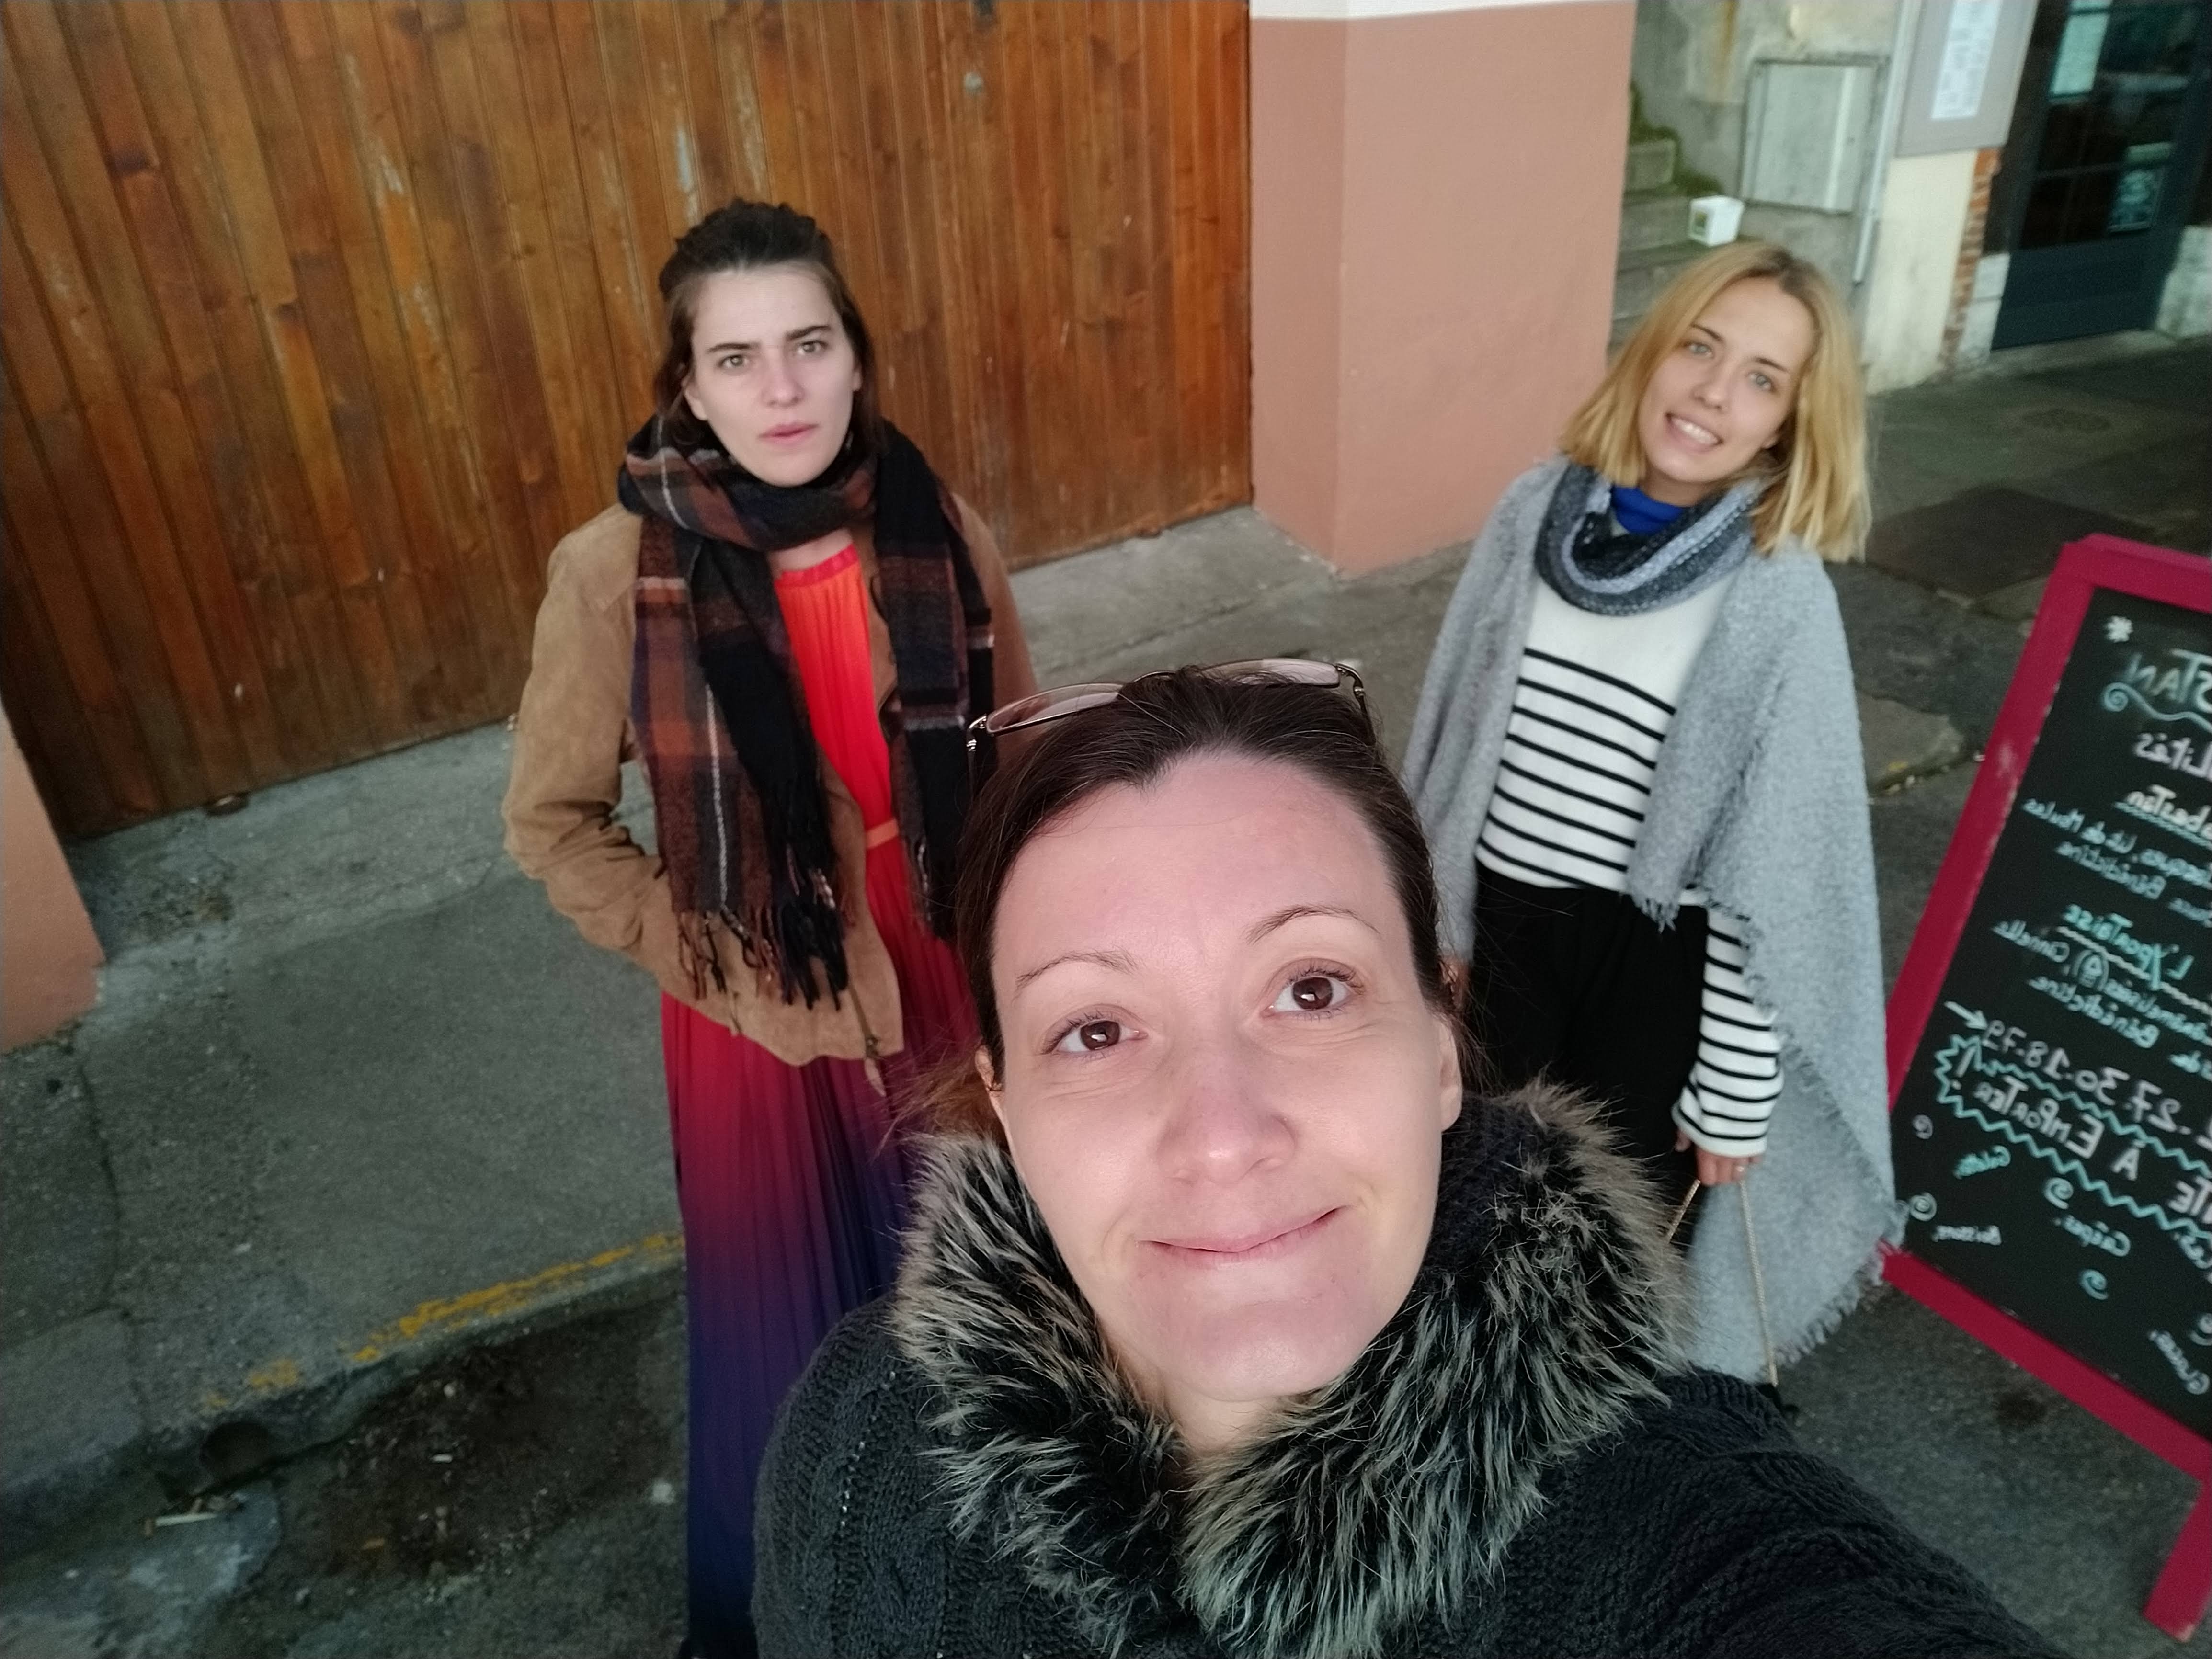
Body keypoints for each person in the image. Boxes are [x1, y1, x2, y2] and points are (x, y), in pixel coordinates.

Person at [749, 666, 2052, 1658]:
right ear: (1007, 1108)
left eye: (1310, 988)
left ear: (1437, 1049)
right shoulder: (858, 1429)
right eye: (1095, 1029)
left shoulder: (1682, 1521)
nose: (1223, 1133)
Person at [502, 197, 1033, 1657]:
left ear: (857, 356)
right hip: (759, 1007)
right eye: (735, 359)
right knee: (788, 1345)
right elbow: (551, 825)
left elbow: (1018, 753)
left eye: (809, 344)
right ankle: (800, 1613)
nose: (781, 389)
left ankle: (987, 1594)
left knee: (986, 1301)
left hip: (943, 962)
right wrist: (709, 956)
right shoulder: (611, 570)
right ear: (687, 385)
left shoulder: (933, 525)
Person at [1401, 241, 1892, 1380]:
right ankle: (1450, 1408)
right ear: (1652, 351)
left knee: (1610, 1239)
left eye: (1761, 379)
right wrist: (1437, 925)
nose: (1714, 393)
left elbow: (1773, 872)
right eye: (1699, 348)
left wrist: (1733, 1091)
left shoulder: (1774, 585)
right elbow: (1455, 737)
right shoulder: (1534, 511)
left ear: (1787, 422)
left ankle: (1583, 1439)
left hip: (1651, 963)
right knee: (1462, 1189)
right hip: (1505, 933)